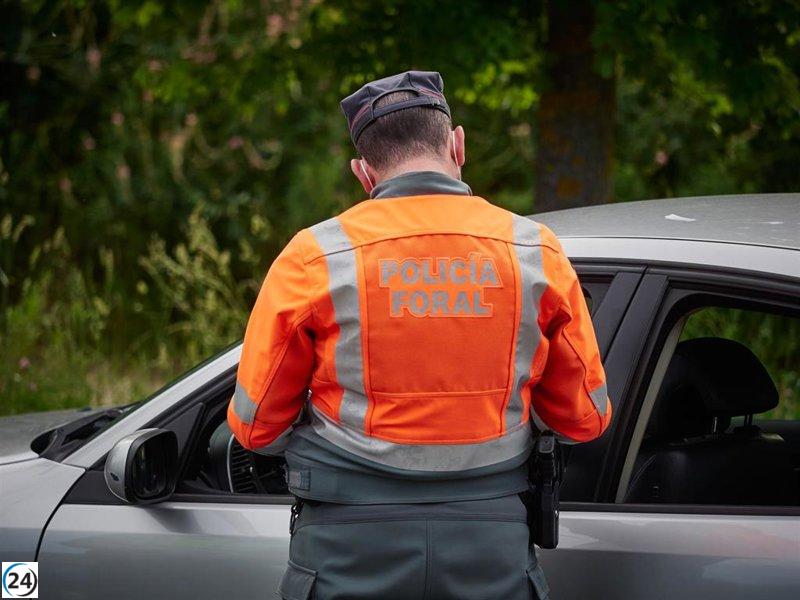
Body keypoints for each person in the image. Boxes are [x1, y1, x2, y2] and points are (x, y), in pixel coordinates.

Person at [228, 70, 612, 600]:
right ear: (458, 145)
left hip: (347, 549)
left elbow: (255, 427)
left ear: (364, 172)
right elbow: (585, 419)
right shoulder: (535, 252)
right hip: (491, 548)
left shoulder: (315, 257)